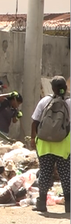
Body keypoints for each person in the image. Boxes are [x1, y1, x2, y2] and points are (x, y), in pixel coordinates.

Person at [30, 76, 71, 213]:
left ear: (52, 88)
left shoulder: (45, 101)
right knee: (66, 174)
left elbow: (34, 121)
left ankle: (42, 204)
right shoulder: (70, 103)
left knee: (45, 173)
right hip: (63, 144)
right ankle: (69, 206)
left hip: (44, 144)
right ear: (65, 88)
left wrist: (32, 139)